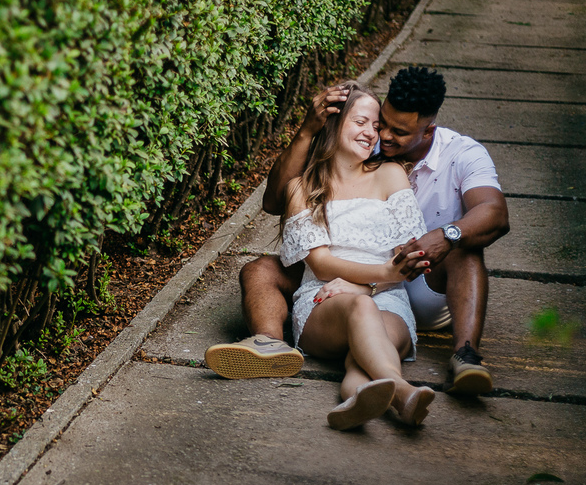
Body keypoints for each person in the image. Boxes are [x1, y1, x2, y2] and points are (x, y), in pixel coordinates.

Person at [205, 67, 510, 395]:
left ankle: (465, 354)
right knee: (259, 269)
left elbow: (494, 214)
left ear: (427, 130)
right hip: (335, 286)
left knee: (463, 246)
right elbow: (275, 200)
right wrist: (309, 129)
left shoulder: (457, 155)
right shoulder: (363, 150)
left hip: (413, 279)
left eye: (395, 131)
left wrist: (442, 236)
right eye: (381, 123)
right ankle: (272, 345)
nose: (384, 137)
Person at [272, 80, 435, 429]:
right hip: (323, 300)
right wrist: (382, 277)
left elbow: (410, 256)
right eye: (361, 122)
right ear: (334, 123)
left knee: (363, 355)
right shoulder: (301, 187)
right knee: (361, 312)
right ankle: (404, 393)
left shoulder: (390, 174)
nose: (372, 133)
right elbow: (321, 263)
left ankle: (355, 401)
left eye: (376, 127)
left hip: (388, 299)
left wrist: (368, 286)